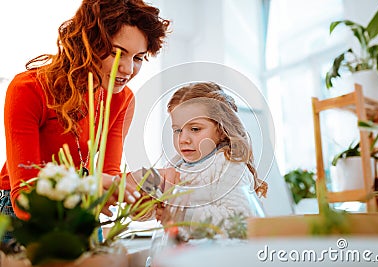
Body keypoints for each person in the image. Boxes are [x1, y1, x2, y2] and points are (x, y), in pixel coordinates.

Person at [0, 0, 171, 244]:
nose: (128, 69)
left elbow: (107, 176)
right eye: (116, 53)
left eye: (138, 58)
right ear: (87, 43)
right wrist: (89, 189)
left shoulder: (121, 99)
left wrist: (140, 191)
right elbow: (24, 199)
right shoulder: (29, 89)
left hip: (81, 207)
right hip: (22, 213)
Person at [161, 82, 268, 234]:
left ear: (221, 129)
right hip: (184, 253)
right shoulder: (174, 164)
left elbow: (241, 222)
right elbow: (159, 209)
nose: (183, 139)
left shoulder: (228, 166)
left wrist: (185, 214)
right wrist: (143, 204)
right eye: (177, 130)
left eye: (195, 129)